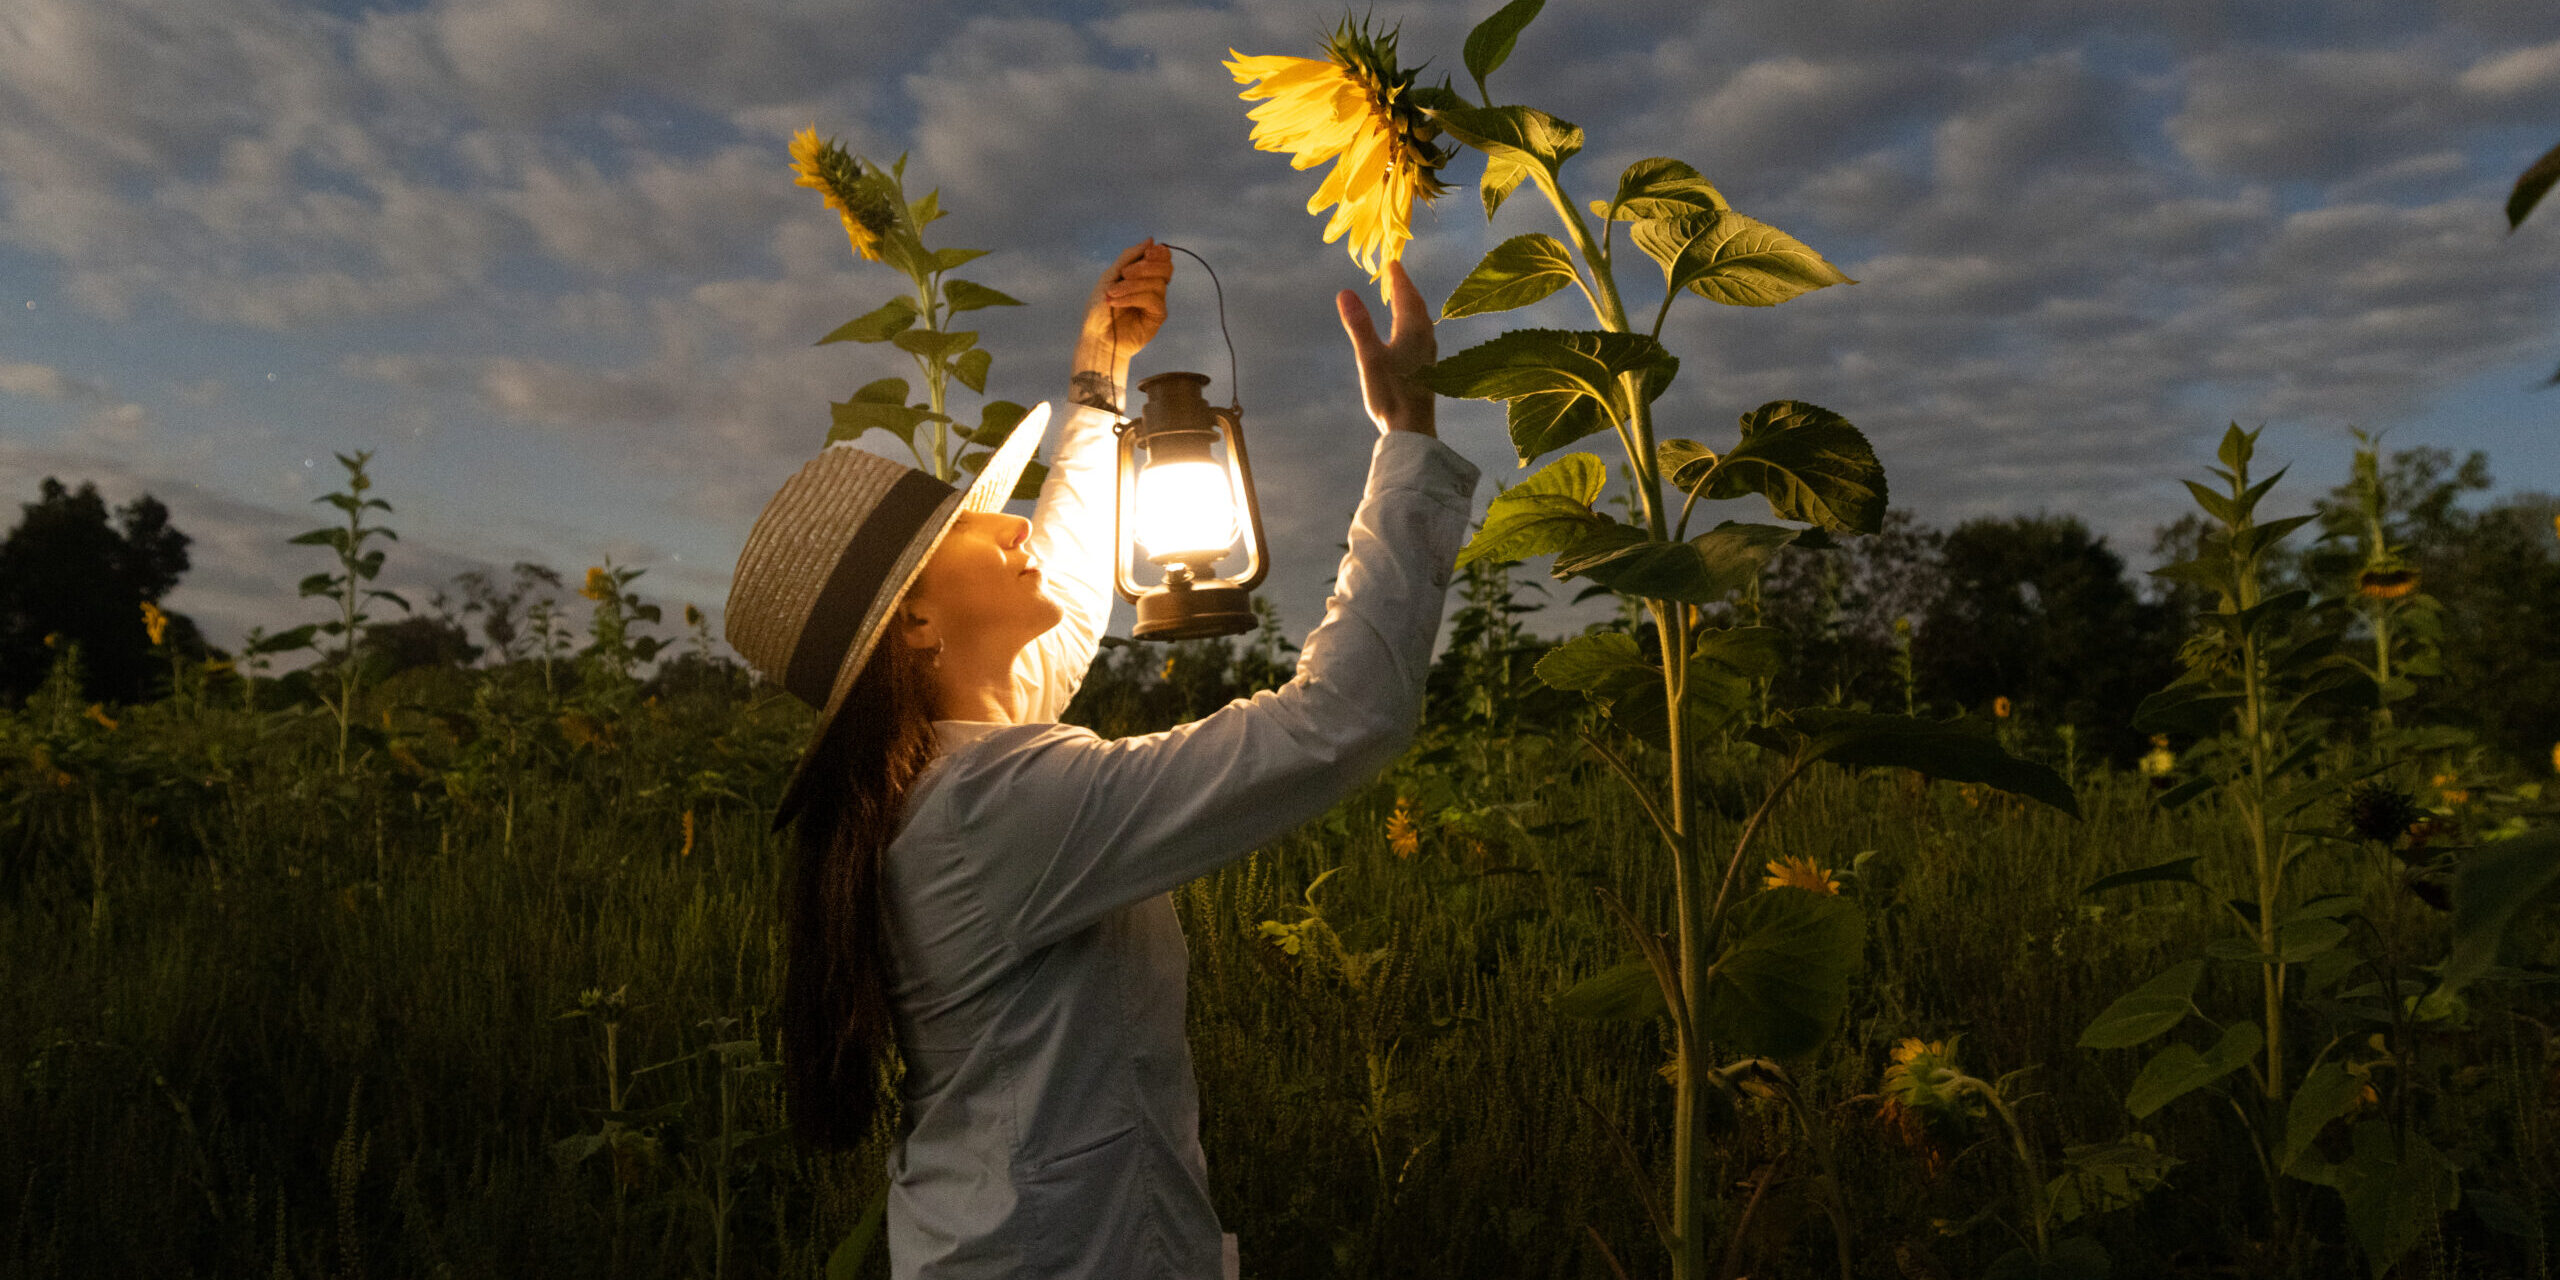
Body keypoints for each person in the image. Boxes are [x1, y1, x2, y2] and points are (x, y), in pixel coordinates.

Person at [722, 239, 1481, 1278]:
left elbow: (1072, 589)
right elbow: (1339, 717)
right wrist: (1408, 443)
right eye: (969, 527)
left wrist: (1098, 377)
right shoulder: (996, 808)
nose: (1007, 524)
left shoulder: (953, 777)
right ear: (914, 628)